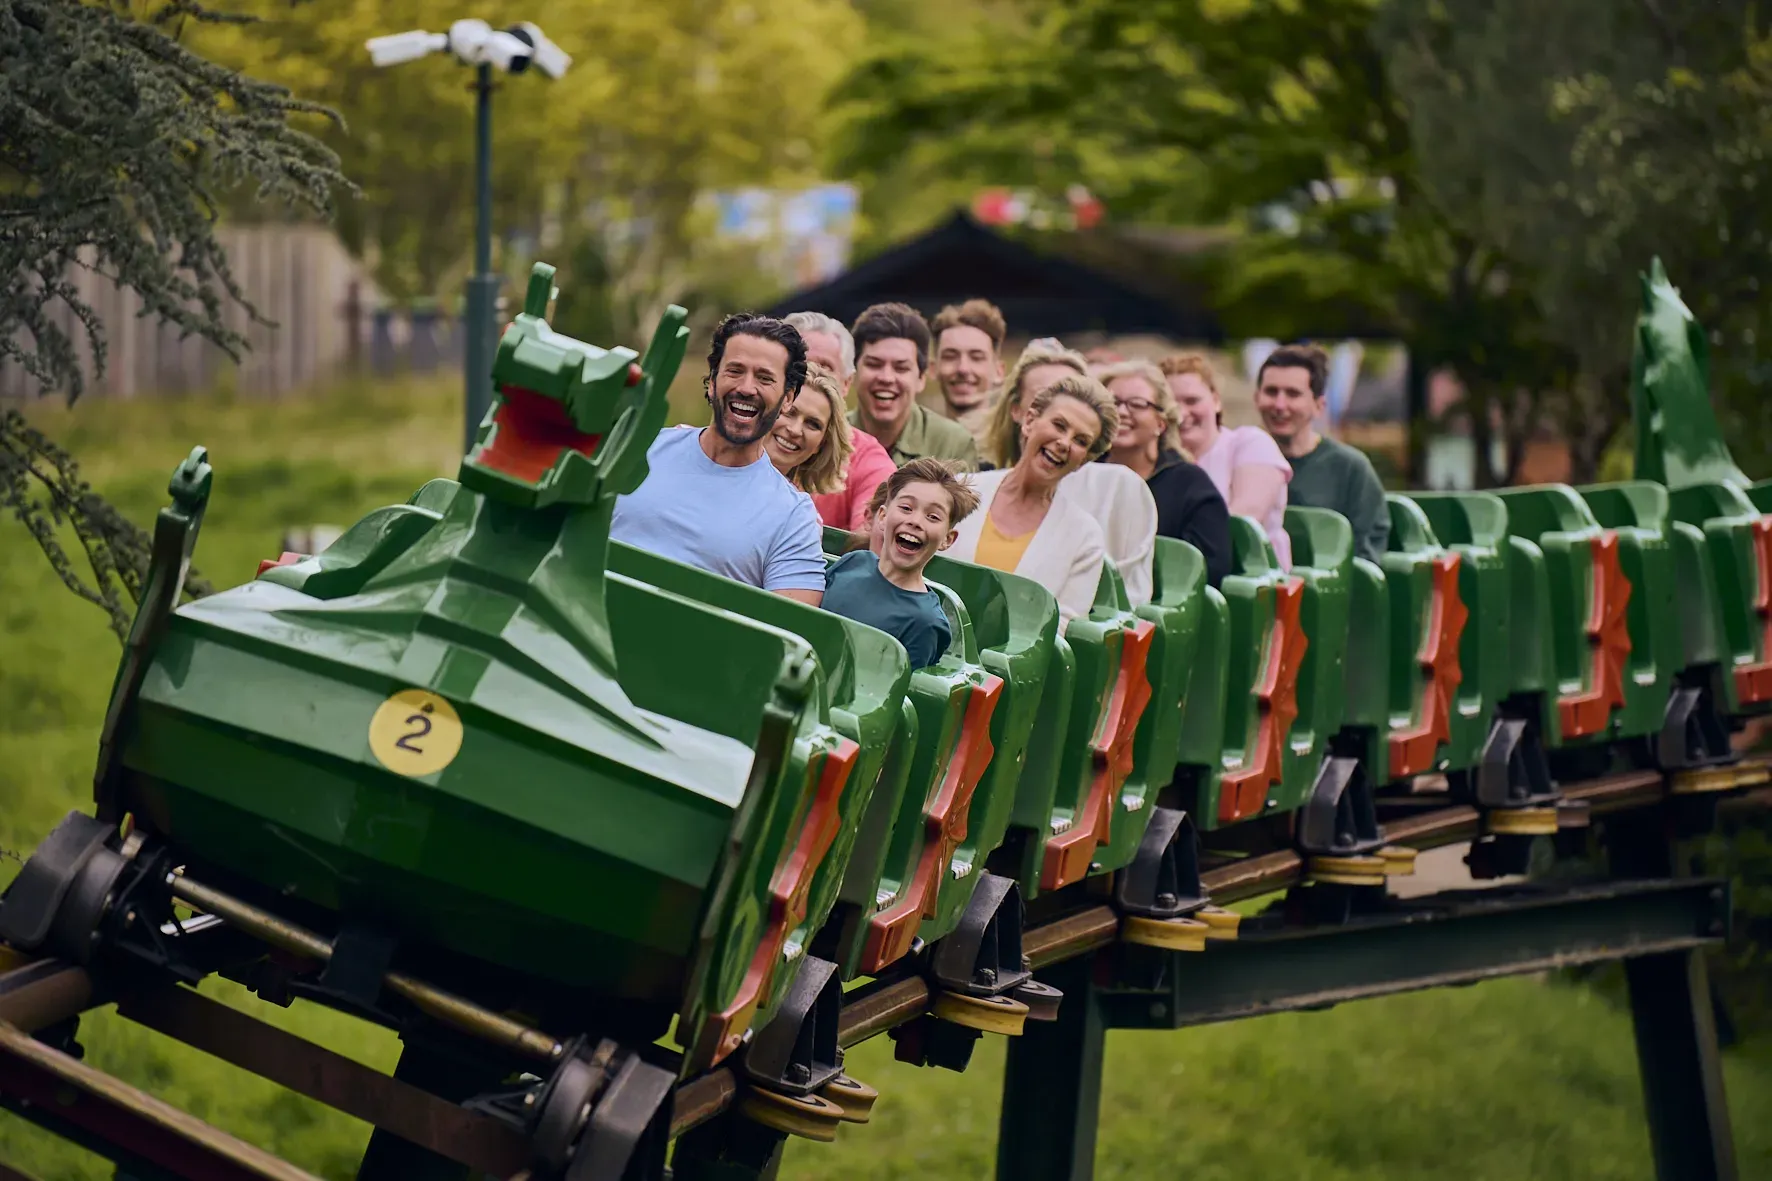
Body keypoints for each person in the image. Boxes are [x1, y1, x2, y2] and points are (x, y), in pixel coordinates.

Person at [610, 312, 826, 604]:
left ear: (787, 398)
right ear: (712, 381)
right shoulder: (642, 447)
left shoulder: (793, 516)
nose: (746, 388)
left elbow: (790, 630)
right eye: (735, 371)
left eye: (764, 378)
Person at [983, 340, 1156, 602]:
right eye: (1059, 420)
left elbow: (1126, 601)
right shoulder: (970, 488)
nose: (1064, 441)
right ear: (1025, 414)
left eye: (1081, 439)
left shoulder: (1109, 499)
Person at [948, 374, 1120, 622]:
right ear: (1029, 421)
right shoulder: (959, 489)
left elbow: (1060, 630)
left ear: (1085, 459)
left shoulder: (1084, 536)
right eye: (1059, 425)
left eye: (1080, 440)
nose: (1064, 443)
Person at [822, 458, 980, 670]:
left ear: (947, 539)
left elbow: (896, 693)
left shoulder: (926, 621)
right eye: (906, 508)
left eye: (933, 517)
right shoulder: (854, 561)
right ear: (883, 516)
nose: (915, 521)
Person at [1098, 358, 1232, 588]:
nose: (1121, 412)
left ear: (1161, 423)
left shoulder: (1190, 484)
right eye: (1112, 402)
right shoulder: (1082, 474)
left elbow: (1211, 570)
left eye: (1137, 404)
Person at [1256, 343, 1390, 564]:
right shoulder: (1242, 461)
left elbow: (1364, 558)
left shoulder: (1350, 469)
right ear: (1256, 398)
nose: (1280, 405)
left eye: (1293, 394)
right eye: (1271, 392)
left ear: (1319, 405)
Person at [1160, 352, 1292, 569]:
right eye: (1171, 404)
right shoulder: (1158, 460)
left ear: (1216, 401)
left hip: (1251, 581)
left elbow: (1244, 520)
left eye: (1192, 400)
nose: (1182, 413)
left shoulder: (1249, 443)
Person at [849, 302, 980, 470]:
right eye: (874, 364)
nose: (887, 378)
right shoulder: (827, 438)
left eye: (901, 368)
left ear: (921, 379)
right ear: (853, 372)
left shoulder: (953, 444)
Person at [922, 299, 1007, 450]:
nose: (963, 369)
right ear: (933, 369)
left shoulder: (1015, 450)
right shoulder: (920, 449)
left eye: (976, 357)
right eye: (950, 356)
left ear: (999, 371)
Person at [764, 368, 854, 499]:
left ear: (822, 444)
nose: (795, 430)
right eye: (789, 412)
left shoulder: (801, 513)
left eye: (812, 424)